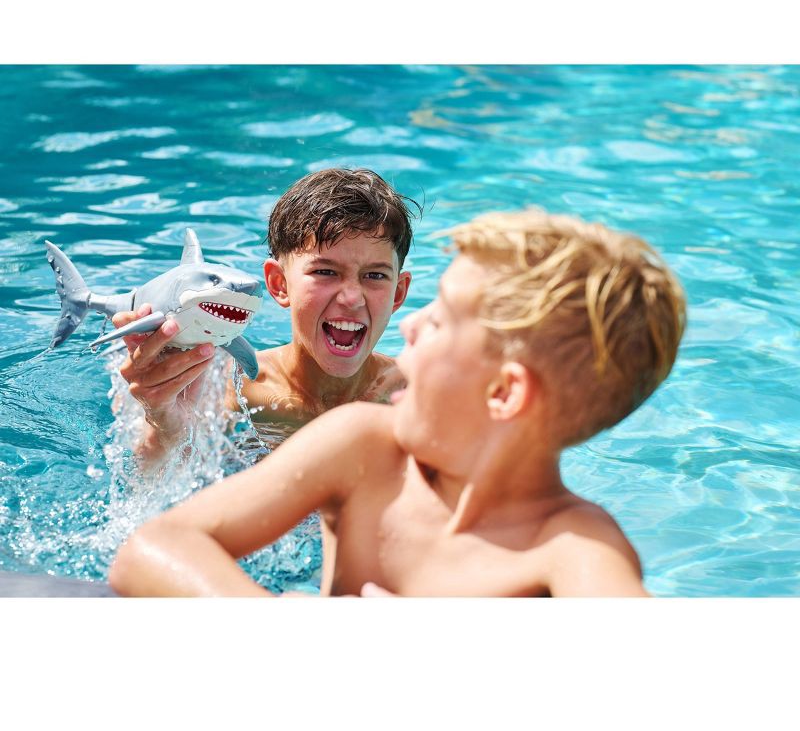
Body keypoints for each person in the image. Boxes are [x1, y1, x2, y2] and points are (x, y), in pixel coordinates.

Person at [109, 207, 686, 597]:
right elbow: (151, 549)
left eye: (440, 320)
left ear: (504, 392)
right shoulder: (363, 445)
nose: (409, 326)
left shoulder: (572, 547)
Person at [114, 168, 417, 465]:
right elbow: (148, 482)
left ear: (398, 293)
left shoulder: (416, 393)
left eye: (375, 275)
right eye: (325, 272)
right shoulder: (234, 393)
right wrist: (164, 429)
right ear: (279, 284)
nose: (351, 298)